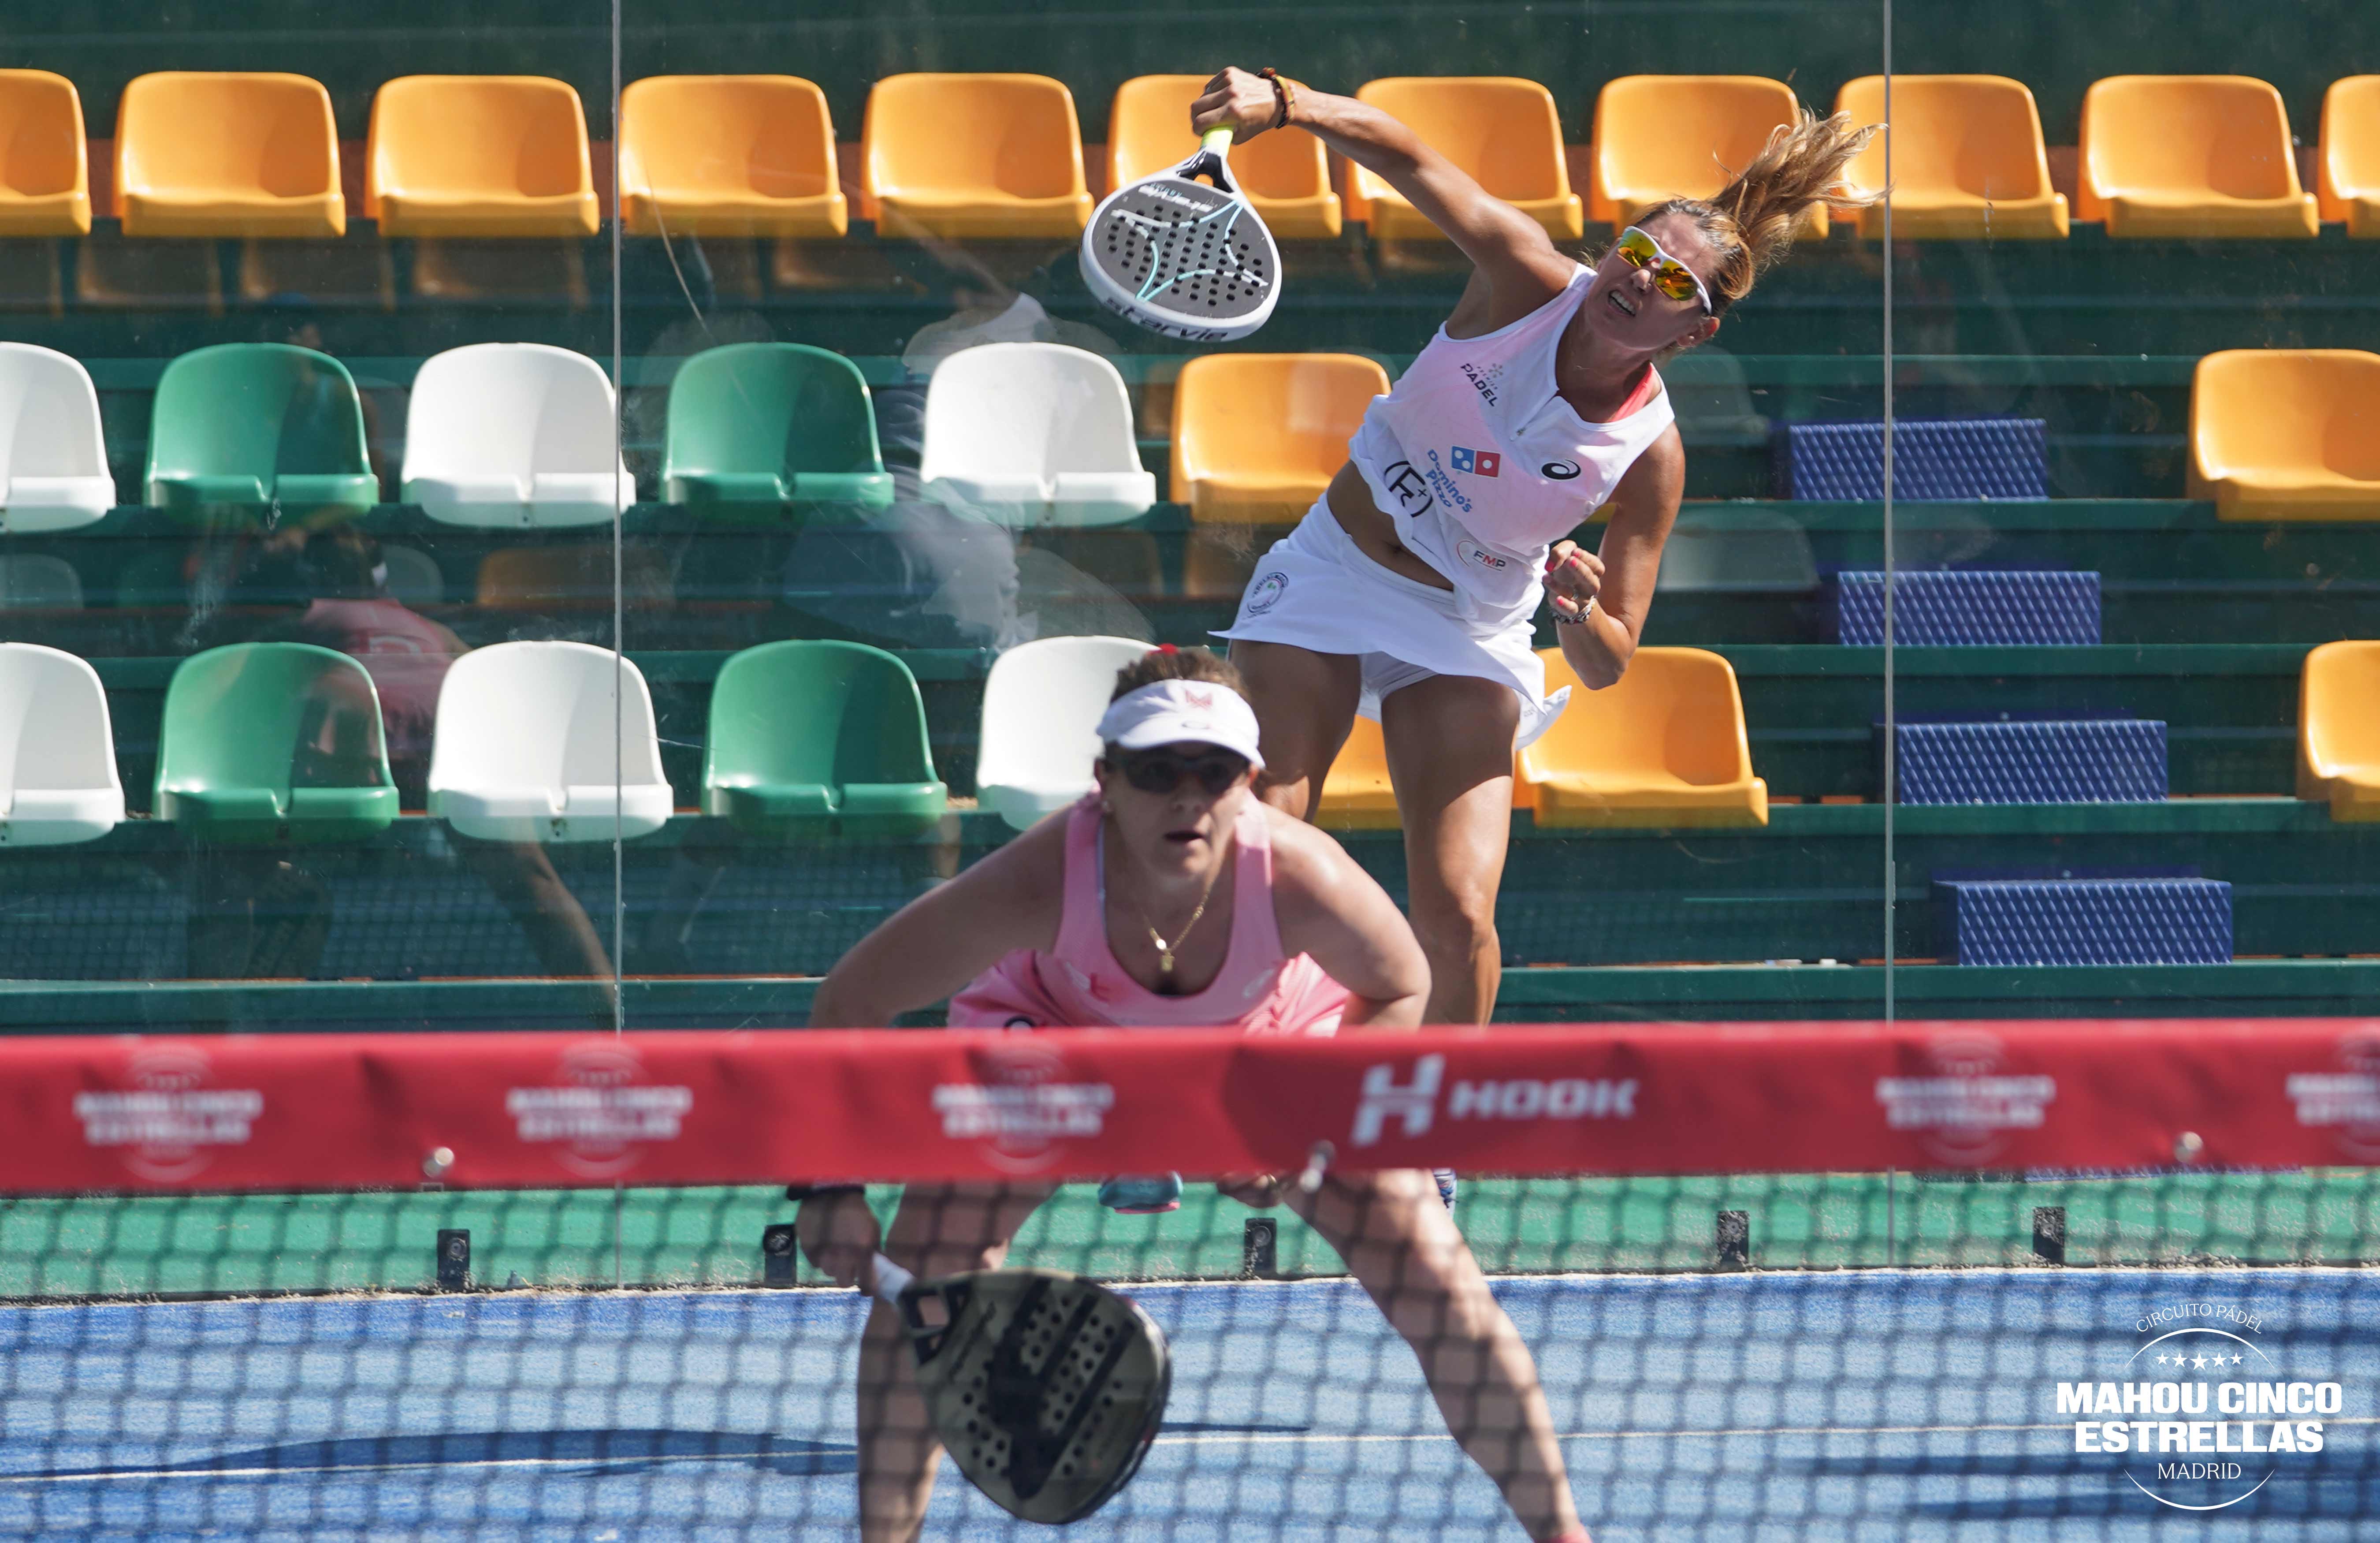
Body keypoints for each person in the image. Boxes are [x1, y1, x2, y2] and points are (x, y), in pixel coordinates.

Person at [796, 646, 1592, 1543]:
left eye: (1213, 771)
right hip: (1059, 1051)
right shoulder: (1042, 877)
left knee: (1440, 1286)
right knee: (931, 1269)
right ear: (1105, 781)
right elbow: (852, 1000)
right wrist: (829, 1188)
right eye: (1156, 770)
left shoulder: (1301, 874)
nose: (1187, 796)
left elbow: (1402, 983)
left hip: (1271, 1049)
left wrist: (1306, 1124)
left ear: (1249, 781)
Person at [1196, 66, 1878, 1024]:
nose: (1639, 277)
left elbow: (1607, 662)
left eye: (1672, 280)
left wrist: (1579, 610)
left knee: (1459, 914)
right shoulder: (1524, 280)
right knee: (1266, 830)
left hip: (1468, 627)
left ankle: (1443, 1112)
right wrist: (1287, 101)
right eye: (1637, 250)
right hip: (1333, 572)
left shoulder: (1651, 457)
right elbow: (1409, 157)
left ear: (1695, 330)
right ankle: (1218, 1060)